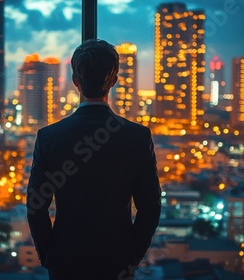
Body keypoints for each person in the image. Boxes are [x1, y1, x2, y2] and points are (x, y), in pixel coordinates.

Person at [26, 39, 161, 280]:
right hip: (117, 262)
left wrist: (49, 254)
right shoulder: (138, 137)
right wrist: (132, 256)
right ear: (114, 81)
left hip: (65, 262)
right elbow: (150, 208)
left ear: (75, 81)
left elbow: (36, 207)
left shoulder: (49, 137)